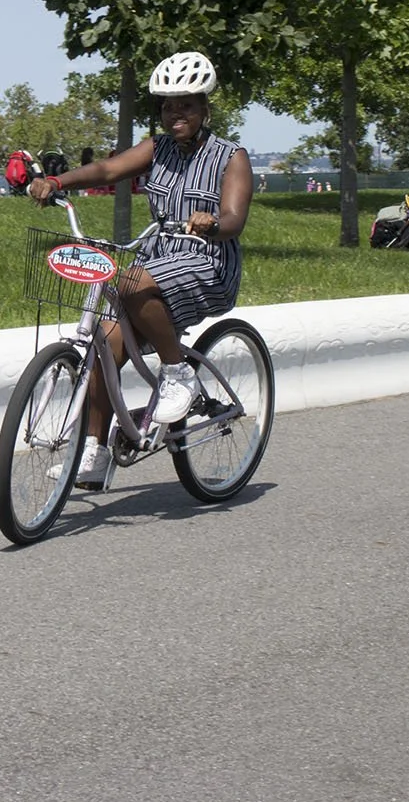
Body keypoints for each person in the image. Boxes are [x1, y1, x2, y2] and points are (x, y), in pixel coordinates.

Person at [26, 50, 254, 490]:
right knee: (105, 339)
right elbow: (107, 168)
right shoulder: (157, 147)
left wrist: (212, 223)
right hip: (158, 259)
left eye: (186, 104)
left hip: (208, 261)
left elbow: (234, 220)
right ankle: (93, 451)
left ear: (205, 108)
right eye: (168, 105)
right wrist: (58, 181)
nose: (176, 114)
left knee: (129, 280)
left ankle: (178, 372)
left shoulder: (231, 156)